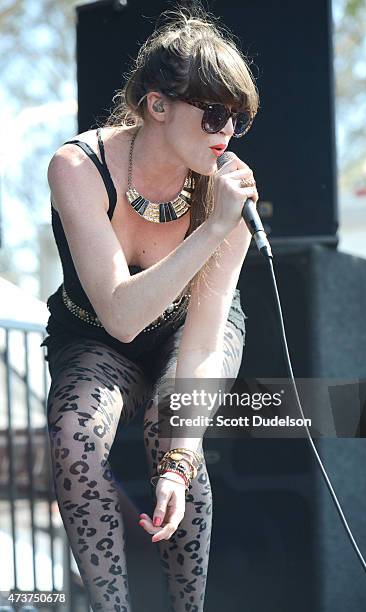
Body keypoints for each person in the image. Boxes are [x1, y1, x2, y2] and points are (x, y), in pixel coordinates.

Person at [41, 4, 259, 611]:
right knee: (73, 438)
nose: (225, 133)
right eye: (214, 112)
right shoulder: (79, 167)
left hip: (191, 331)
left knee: (172, 427)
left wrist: (181, 464)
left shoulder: (228, 200)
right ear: (157, 105)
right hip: (96, 335)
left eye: (237, 119)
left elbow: (204, 337)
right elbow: (120, 314)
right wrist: (211, 229)